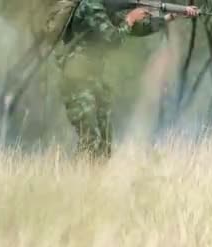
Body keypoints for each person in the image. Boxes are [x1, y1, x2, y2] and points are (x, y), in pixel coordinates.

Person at [56, 0, 198, 160]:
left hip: (93, 78)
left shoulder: (104, 9)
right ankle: (75, 179)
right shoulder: (91, 5)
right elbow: (113, 39)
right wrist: (130, 18)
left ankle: (94, 181)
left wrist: (171, 16)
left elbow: (137, 30)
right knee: (90, 139)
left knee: (105, 144)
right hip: (77, 78)